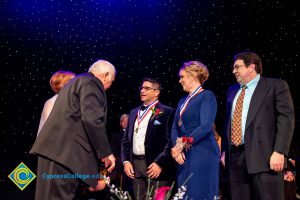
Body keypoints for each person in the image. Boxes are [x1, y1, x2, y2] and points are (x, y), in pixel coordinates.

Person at [30, 60, 117, 199]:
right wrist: (106, 152)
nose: (109, 86)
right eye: (111, 81)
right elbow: (92, 120)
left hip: (55, 154)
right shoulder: (92, 82)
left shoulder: (73, 83)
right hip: (64, 155)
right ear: (106, 74)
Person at [222, 51, 295, 200]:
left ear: (251, 67)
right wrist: (225, 151)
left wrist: (280, 151)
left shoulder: (276, 86)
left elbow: (286, 119)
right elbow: (228, 123)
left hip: (265, 157)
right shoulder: (232, 90)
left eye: (237, 67)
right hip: (235, 157)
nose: (233, 71)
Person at [171, 61, 219, 199]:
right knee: (184, 193)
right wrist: (176, 148)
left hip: (203, 152)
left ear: (192, 76)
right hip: (183, 154)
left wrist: (181, 145)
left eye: (182, 76)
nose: (180, 80)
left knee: (199, 192)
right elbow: (175, 126)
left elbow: (204, 127)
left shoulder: (207, 96)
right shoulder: (182, 101)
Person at [121, 78, 176, 200]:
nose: (142, 90)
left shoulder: (168, 112)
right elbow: (125, 140)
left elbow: (171, 141)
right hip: (135, 165)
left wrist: (160, 162)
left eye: (147, 88)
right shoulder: (134, 112)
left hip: (155, 166)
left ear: (157, 92)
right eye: (141, 88)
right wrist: (126, 161)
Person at [37, 70, 75, 136]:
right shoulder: (51, 102)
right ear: (65, 84)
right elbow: (50, 127)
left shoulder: (72, 101)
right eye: (72, 82)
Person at [110, 114, 131, 189]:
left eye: (127, 121)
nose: (125, 123)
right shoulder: (115, 135)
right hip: (121, 161)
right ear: (120, 123)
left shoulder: (135, 134)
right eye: (123, 121)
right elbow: (114, 150)